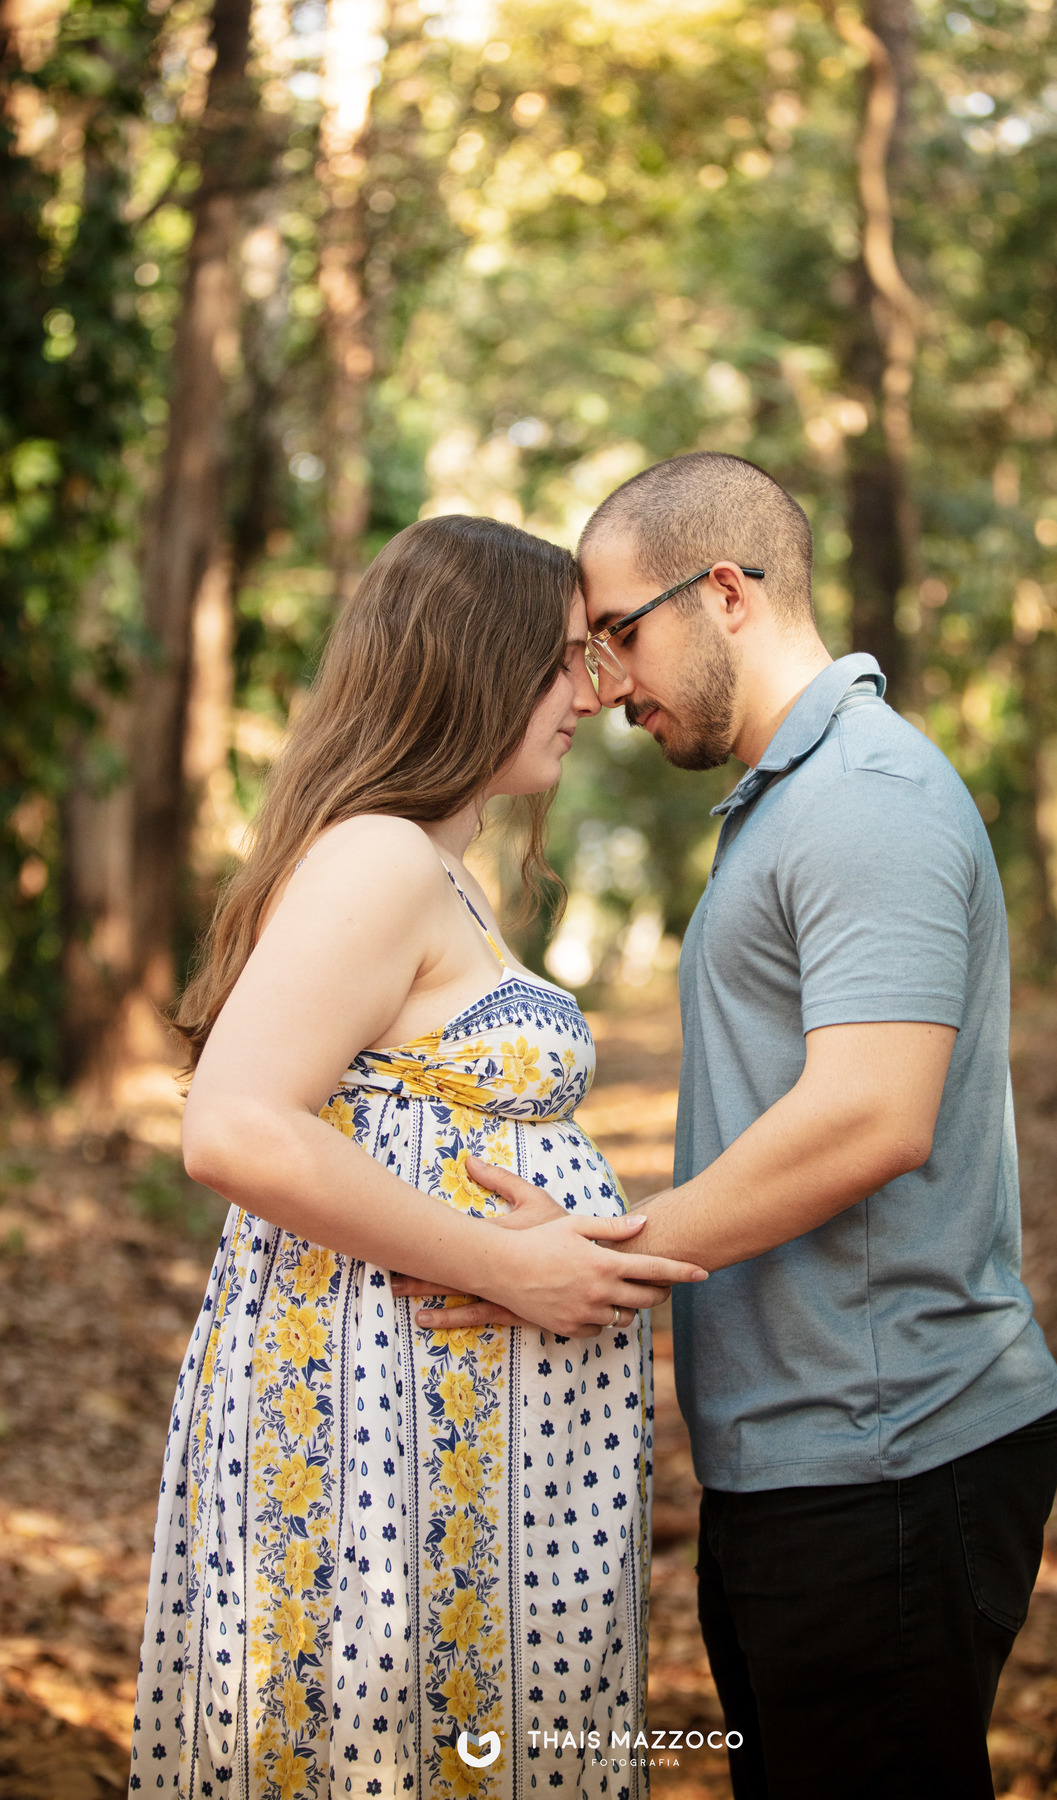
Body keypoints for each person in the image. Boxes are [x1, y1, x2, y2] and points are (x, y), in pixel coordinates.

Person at [443, 454, 1057, 1800]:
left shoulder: (864, 796)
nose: (605, 686)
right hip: (808, 1450)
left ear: (724, 591)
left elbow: (872, 1116)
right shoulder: (795, 795)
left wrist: (604, 1252)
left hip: (888, 1446)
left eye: (619, 634)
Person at [127, 514, 708, 1800]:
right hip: (380, 1436)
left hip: (450, 1441)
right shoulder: (382, 857)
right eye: (566, 659)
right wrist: (510, 1270)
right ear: (477, 662)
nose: (593, 691)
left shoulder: (437, 867)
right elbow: (234, 1124)